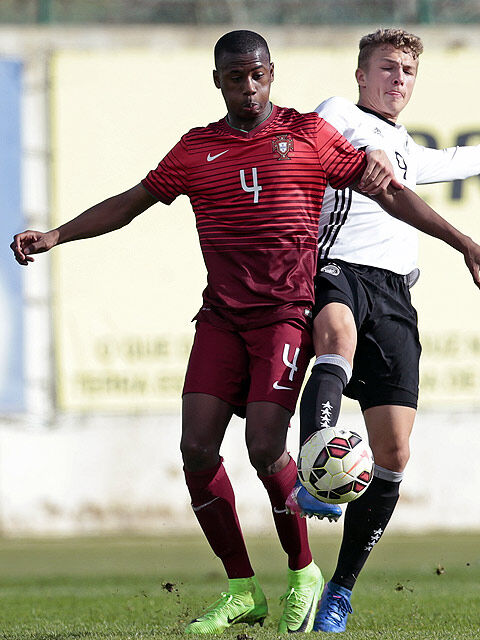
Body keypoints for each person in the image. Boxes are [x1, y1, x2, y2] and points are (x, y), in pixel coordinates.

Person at [10, 30, 480, 635]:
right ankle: (240, 588)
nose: (249, 86)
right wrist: (55, 236)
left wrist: (463, 242)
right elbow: (130, 202)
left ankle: (305, 571)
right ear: (219, 80)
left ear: (272, 73)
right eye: (236, 76)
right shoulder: (197, 148)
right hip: (223, 316)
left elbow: (391, 189)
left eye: (258, 74)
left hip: (285, 312)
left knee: (265, 447)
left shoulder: (308, 136)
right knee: (196, 448)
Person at [285, 28, 480, 633]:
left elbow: (456, 162)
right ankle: (317, 475)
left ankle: (340, 591)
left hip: (397, 294)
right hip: (337, 267)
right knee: (334, 338)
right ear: (361, 76)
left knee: (394, 456)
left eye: (408, 72)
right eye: (388, 69)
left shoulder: (408, 150)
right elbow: (311, 150)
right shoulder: (337, 115)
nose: (399, 80)